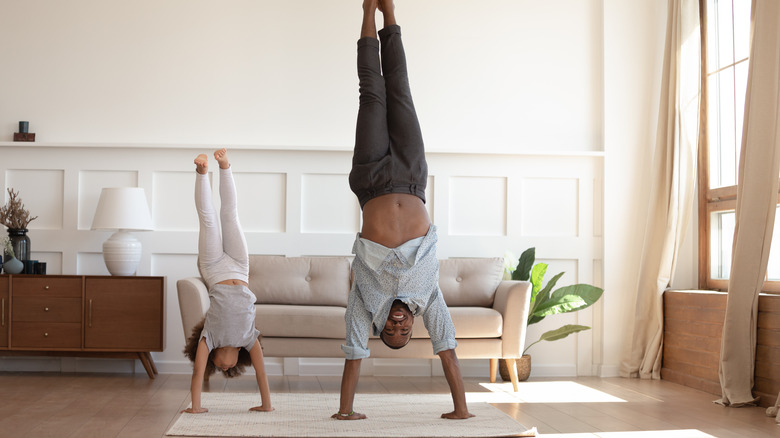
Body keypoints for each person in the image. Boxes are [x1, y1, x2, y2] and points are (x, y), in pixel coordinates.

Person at [332, 0, 474, 421]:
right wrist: (461, 410)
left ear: (379, 326)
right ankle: (390, 12)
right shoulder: (428, 298)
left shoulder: (364, 303)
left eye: (389, 330)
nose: (396, 326)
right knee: (401, 89)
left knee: (371, 93)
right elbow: (447, 349)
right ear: (413, 325)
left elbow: (354, 353)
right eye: (403, 331)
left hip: (372, 179)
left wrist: (346, 412)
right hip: (412, 177)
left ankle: (367, 13)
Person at [181, 148, 273, 414]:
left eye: (219, 368)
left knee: (209, 221)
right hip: (240, 268)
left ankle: (203, 172)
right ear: (237, 361)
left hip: (213, 270)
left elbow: (198, 372)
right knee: (230, 215)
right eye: (229, 369)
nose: (225, 368)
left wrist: (195, 407)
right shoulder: (249, 339)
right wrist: (266, 405)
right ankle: (225, 167)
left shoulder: (208, 339)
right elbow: (262, 373)